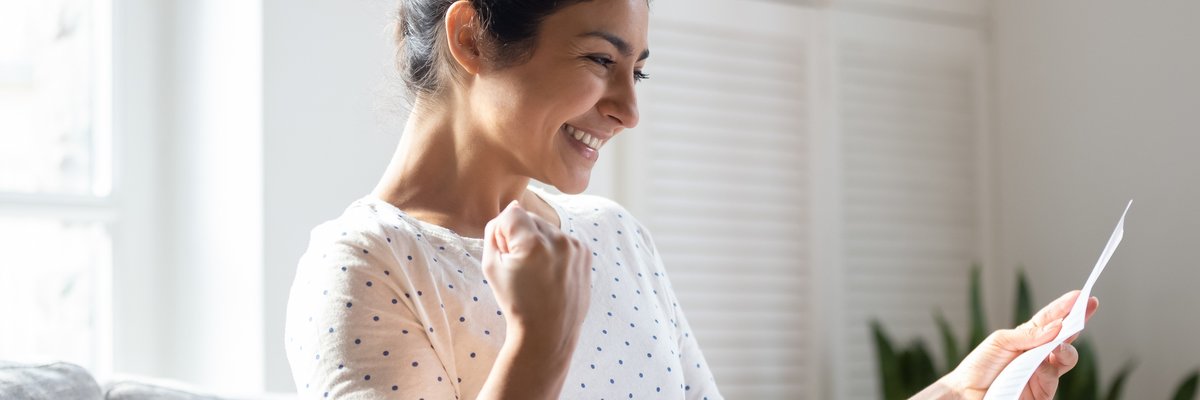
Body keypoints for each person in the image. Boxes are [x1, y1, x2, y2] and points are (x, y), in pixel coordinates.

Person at [283, 1, 1100, 399]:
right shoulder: (363, 267)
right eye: (602, 60)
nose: (628, 110)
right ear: (471, 38)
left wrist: (958, 391)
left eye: (636, 71)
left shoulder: (610, 235)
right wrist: (537, 341)